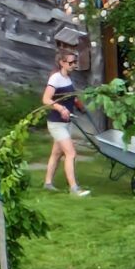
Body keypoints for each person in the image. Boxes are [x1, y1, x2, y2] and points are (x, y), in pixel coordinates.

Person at [42, 51, 91, 197]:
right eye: (71, 63)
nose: (74, 65)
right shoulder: (55, 78)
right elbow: (46, 99)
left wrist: (79, 105)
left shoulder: (67, 78)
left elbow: (70, 97)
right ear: (62, 63)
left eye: (75, 62)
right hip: (57, 123)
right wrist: (60, 108)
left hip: (66, 122)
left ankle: (47, 183)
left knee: (57, 153)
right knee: (71, 153)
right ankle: (74, 188)